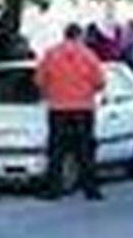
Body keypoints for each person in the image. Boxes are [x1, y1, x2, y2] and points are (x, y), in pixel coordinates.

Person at [36, 23, 107, 201]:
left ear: (64, 35)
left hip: (57, 108)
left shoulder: (50, 54)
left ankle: (54, 189)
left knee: (56, 150)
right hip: (83, 108)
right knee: (85, 150)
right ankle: (91, 189)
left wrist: (50, 92)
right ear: (79, 36)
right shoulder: (89, 55)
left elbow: (39, 80)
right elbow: (100, 82)